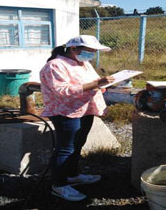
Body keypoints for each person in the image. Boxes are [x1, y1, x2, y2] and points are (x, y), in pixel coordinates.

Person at [40, 35, 115, 201]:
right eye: (89, 51)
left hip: (85, 108)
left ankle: (72, 175)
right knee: (66, 147)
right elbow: (63, 91)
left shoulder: (83, 63)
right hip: (65, 111)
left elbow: (92, 82)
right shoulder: (55, 66)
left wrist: (102, 83)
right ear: (74, 49)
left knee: (78, 143)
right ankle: (58, 185)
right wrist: (96, 84)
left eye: (94, 52)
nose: (92, 55)